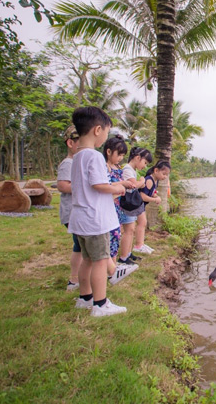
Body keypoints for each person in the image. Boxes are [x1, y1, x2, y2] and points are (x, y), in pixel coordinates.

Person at [69, 106, 128, 317]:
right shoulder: (94, 157)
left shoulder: (77, 156)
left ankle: (85, 298)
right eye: (106, 131)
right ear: (97, 130)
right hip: (95, 219)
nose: (105, 137)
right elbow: (99, 185)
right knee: (101, 262)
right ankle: (100, 304)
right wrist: (118, 188)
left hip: (81, 219)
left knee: (88, 260)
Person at [103, 135, 138, 285]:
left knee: (116, 236)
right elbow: (106, 185)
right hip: (107, 206)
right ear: (109, 151)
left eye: (123, 155)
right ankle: (110, 270)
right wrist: (122, 184)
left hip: (116, 206)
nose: (120, 158)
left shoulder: (117, 168)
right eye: (119, 155)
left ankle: (113, 268)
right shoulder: (104, 167)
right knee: (110, 237)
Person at [57, 125, 82, 291]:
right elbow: (62, 186)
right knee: (80, 246)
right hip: (72, 212)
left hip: (77, 212)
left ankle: (77, 278)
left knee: (79, 246)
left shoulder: (77, 162)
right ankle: (74, 280)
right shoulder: (68, 163)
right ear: (70, 143)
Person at [118, 147, 152, 265]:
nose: (145, 166)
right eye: (145, 162)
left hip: (131, 204)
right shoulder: (127, 169)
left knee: (131, 229)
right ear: (138, 158)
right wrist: (142, 181)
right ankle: (123, 257)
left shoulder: (132, 169)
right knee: (128, 230)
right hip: (128, 204)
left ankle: (128, 253)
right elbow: (134, 185)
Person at [135, 161, 172, 254]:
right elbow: (142, 196)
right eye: (164, 174)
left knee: (142, 223)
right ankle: (138, 245)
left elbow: (152, 192)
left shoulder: (155, 180)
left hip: (141, 205)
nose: (165, 177)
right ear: (156, 170)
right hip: (136, 204)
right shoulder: (149, 180)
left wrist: (155, 196)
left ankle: (141, 244)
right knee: (141, 223)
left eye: (167, 175)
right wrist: (154, 200)